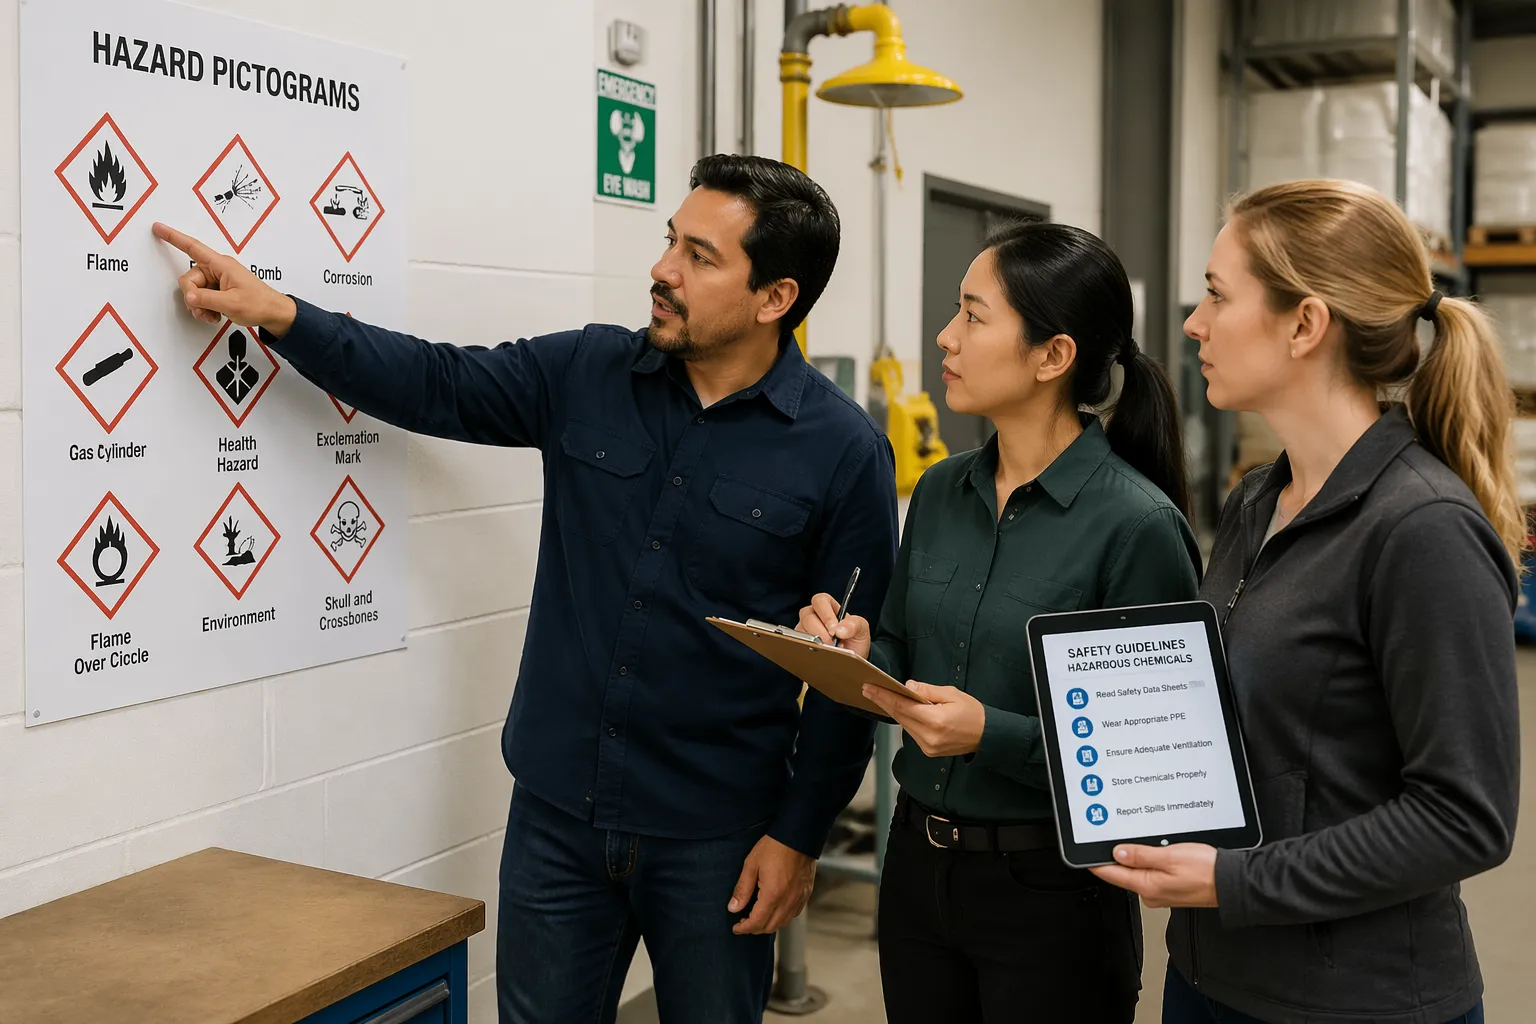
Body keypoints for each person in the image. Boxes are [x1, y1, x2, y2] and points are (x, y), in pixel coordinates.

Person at [152, 154, 899, 1024]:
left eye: (699, 256)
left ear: (775, 298)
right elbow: (434, 381)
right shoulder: (587, 371)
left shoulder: (843, 451)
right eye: (670, 242)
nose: (661, 270)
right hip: (558, 817)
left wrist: (799, 834)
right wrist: (280, 313)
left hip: (718, 838)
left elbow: (852, 672)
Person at [1091, 179, 1520, 1024]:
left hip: (1356, 1001)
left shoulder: (1422, 529)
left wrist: (1233, 880)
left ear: (1305, 324)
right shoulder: (1262, 498)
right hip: (1214, 976)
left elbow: (1465, 817)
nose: (1193, 324)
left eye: (1217, 295)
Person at [798, 222, 1202, 1023]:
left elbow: (1151, 765)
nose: (946, 337)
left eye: (974, 317)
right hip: (916, 866)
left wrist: (994, 734)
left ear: (1052, 357)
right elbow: (908, 646)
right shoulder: (943, 491)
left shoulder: (1137, 526)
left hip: (1052, 893)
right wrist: (860, 652)